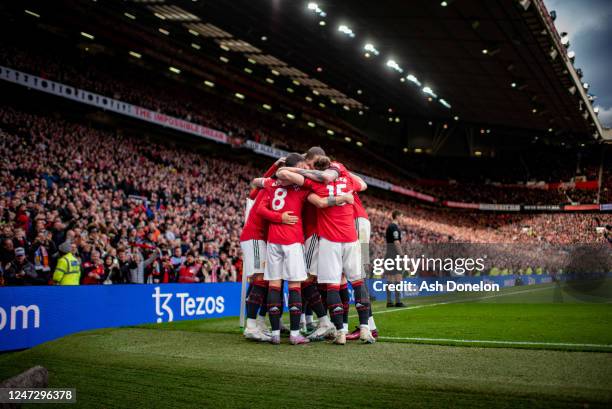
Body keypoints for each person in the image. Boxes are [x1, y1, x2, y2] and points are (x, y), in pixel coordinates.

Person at [280, 148, 375, 344]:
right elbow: (363, 184)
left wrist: (297, 171)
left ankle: (338, 329)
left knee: (331, 284)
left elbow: (284, 175)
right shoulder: (345, 177)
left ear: (314, 165)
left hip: (330, 237)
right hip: (353, 232)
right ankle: (366, 327)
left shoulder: (314, 184)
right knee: (356, 280)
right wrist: (343, 176)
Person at [385, 210, 405, 307]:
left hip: (389, 254)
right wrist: (401, 254)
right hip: (394, 255)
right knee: (398, 277)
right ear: (397, 216)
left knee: (390, 278)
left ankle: (389, 301)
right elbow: (396, 242)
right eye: (401, 216)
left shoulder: (391, 227)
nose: (402, 218)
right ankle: (398, 301)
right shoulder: (394, 227)